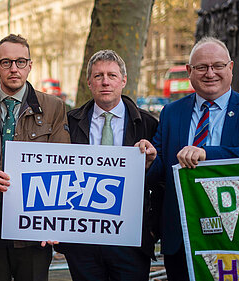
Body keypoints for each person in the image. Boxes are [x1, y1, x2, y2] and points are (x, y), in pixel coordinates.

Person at [137, 37, 239, 280]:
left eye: (218, 66)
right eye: (202, 67)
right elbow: (161, 173)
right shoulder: (172, 112)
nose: (210, 73)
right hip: (183, 239)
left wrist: (208, 154)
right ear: (189, 72)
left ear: (231, 68)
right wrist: (150, 161)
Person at [0, 34, 70, 281]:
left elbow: (62, 165)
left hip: (33, 227)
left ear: (30, 65)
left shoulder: (53, 106)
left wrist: (55, 221)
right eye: (6, 62)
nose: (14, 69)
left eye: (20, 62)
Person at [55, 49, 161, 281]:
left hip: (130, 241)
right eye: (98, 76)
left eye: (112, 76)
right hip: (82, 241)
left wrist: (152, 230)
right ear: (89, 83)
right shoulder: (69, 123)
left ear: (123, 80)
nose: (105, 82)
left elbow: (161, 181)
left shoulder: (148, 125)